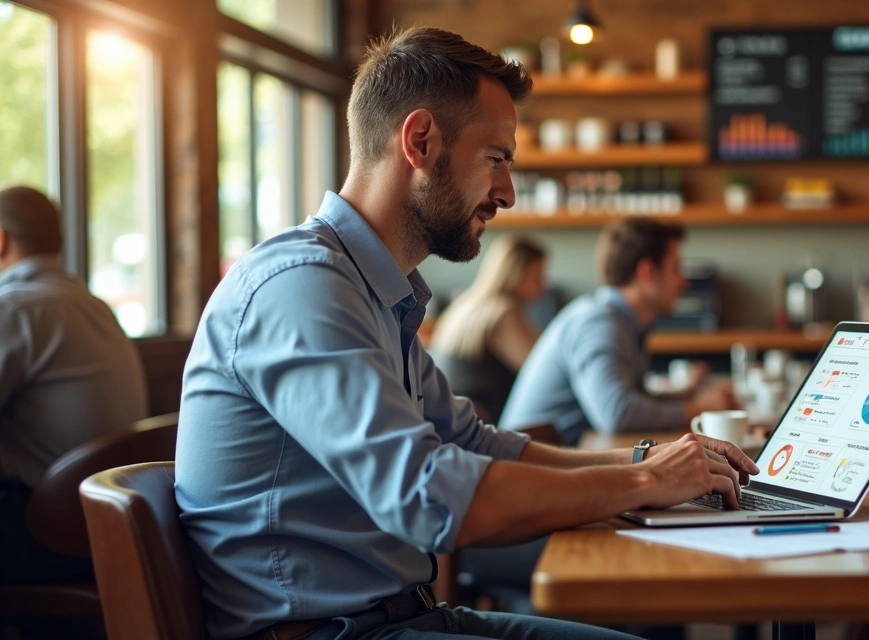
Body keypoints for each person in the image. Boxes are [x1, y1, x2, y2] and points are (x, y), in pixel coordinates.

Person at [175, 26, 758, 640]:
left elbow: (470, 442)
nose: (506, 193)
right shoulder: (301, 287)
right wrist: (642, 483)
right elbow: (430, 495)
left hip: (402, 617)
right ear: (420, 140)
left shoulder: (376, 291)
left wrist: (642, 460)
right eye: (497, 160)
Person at [0, 185, 148, 586]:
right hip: (106, 526)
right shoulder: (94, 306)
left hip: (39, 534)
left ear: (1, 240)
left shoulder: (14, 308)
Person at [499, 218, 737, 446]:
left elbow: (632, 400)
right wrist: (697, 408)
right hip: (527, 475)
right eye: (675, 268)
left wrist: (687, 395)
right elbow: (617, 413)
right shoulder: (598, 322)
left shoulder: (620, 321)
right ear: (646, 272)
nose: (683, 281)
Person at [429, 234, 547, 423]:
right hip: (480, 424)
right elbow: (542, 371)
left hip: (449, 416)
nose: (544, 284)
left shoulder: (466, 303)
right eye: (537, 276)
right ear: (516, 274)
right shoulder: (503, 313)